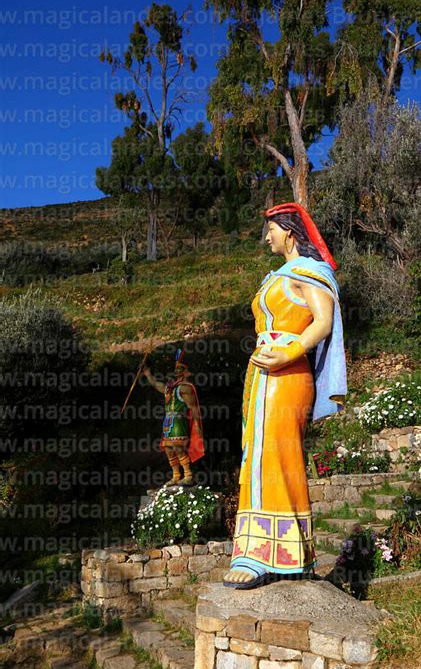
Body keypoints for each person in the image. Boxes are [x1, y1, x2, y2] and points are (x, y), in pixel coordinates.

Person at [223, 202, 347, 589]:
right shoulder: (277, 276)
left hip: (287, 374)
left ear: (290, 233)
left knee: (278, 454)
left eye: (272, 230)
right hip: (261, 376)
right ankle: (264, 551)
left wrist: (291, 351)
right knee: (257, 457)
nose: (267, 237)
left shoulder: (309, 272)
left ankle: (273, 554)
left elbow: (323, 321)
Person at [142, 349, 205, 487]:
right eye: (175, 369)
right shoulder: (170, 389)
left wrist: (196, 425)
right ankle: (176, 475)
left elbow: (193, 407)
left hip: (179, 421)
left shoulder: (185, 388)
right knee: (168, 449)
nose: (176, 371)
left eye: (179, 369)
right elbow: (156, 384)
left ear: (185, 371)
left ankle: (188, 475)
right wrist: (147, 374)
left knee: (178, 446)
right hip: (168, 422)